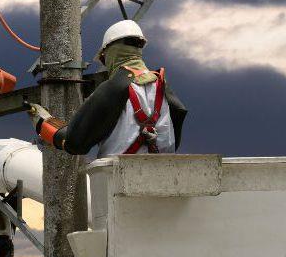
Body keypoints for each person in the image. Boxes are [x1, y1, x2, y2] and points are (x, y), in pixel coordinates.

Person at [28, 20, 186, 157]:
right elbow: (174, 133)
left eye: (104, 59)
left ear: (111, 53)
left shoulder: (112, 89)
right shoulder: (163, 88)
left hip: (116, 182)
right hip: (166, 177)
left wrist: (43, 123)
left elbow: (74, 143)